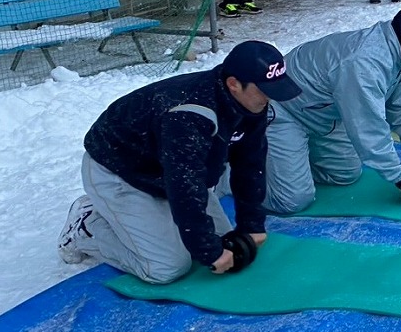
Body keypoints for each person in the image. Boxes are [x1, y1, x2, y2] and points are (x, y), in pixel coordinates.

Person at [56, 40, 303, 283]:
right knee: (169, 267)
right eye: (264, 90)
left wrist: (251, 223)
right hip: (120, 171)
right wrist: (208, 251)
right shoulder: (188, 116)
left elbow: (249, 163)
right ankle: (87, 226)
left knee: (221, 240)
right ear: (234, 84)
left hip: (165, 170)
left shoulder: (251, 104)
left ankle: (152, 220)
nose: (270, 98)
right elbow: (185, 186)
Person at [263, 4, 401, 214]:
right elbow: (368, 127)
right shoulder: (364, 66)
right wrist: (400, 178)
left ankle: (288, 162)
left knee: (345, 174)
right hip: (286, 110)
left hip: (322, 114)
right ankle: (246, 169)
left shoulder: (397, 57)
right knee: (292, 200)